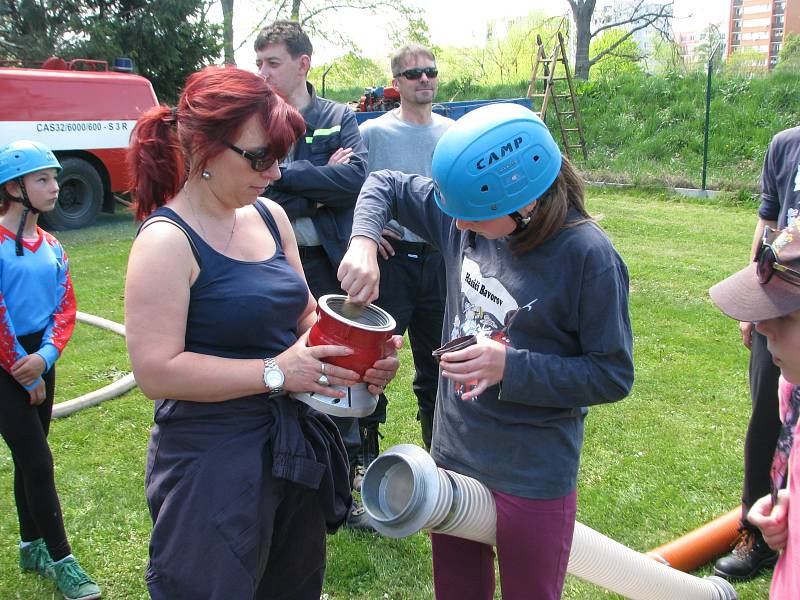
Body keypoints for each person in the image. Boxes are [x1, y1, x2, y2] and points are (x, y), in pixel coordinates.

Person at [338, 103, 634, 600]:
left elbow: (611, 374)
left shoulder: (589, 258)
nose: (459, 229)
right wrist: (364, 241)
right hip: (455, 456)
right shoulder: (466, 212)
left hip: (531, 472)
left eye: (474, 219)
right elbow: (385, 183)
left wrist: (509, 366)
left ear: (526, 203)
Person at [124, 66, 400, 598]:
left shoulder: (270, 217)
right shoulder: (165, 241)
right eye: (261, 158)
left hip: (290, 449)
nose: (275, 174)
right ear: (204, 148)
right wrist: (277, 371)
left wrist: (360, 356)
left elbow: (301, 319)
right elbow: (156, 372)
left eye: (281, 158)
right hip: (213, 462)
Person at [254, 20, 368, 518]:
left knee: (343, 364)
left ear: (302, 64)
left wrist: (286, 174)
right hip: (269, 260)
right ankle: (288, 471)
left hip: (329, 261)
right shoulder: (254, 122)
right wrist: (319, 187)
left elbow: (356, 179)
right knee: (281, 359)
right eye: (258, 63)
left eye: (271, 63)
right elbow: (259, 189)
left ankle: (346, 475)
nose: (262, 73)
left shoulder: (337, 116)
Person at [0, 140, 101, 600]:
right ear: (13, 187)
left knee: (30, 456)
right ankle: (62, 559)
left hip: (39, 359)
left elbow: (65, 307)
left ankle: (29, 545)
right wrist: (23, 367)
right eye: (43, 179)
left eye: (56, 178)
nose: (55, 187)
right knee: (39, 460)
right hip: (6, 367)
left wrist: (46, 358)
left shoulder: (54, 246)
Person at [355, 43, 453, 479]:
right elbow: (354, 195)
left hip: (441, 264)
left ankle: (442, 459)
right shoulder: (373, 134)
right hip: (391, 264)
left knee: (442, 362)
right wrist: (372, 231)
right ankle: (363, 460)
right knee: (371, 361)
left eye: (430, 71)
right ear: (395, 83)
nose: (424, 80)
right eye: (413, 74)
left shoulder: (453, 134)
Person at [714, 126, 800, 581]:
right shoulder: (786, 145)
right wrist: (756, 304)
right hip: (782, 296)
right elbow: (769, 223)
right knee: (772, 417)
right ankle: (759, 530)